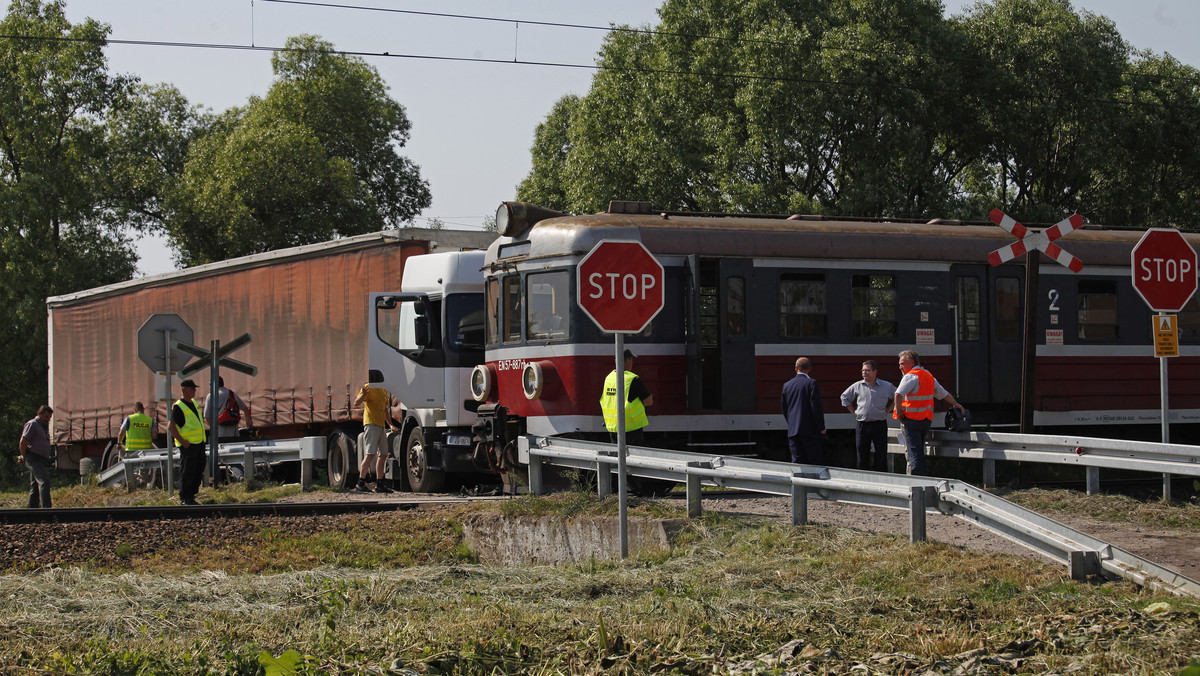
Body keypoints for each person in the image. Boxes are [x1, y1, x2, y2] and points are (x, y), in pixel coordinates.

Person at [893, 350, 965, 476]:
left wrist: (899, 413)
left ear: (912, 362)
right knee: (918, 453)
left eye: (902, 363)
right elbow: (943, 394)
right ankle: (921, 480)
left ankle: (915, 483)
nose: (900, 367)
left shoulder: (910, 376)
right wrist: (956, 404)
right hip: (925, 420)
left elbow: (898, 394)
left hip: (911, 420)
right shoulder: (928, 375)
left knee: (913, 454)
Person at [840, 360, 896, 472]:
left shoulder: (886, 386)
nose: (864, 373)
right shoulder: (857, 386)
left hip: (879, 424)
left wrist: (888, 410)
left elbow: (898, 396)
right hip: (862, 424)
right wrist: (853, 412)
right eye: (863, 370)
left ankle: (881, 477)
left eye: (867, 370)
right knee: (862, 453)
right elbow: (844, 397)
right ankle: (863, 478)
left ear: (875, 372)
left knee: (881, 453)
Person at [600, 349, 654, 446]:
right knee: (633, 459)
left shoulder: (609, 378)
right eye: (631, 360)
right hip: (631, 428)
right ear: (627, 361)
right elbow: (648, 401)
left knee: (617, 458)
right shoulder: (633, 379)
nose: (632, 363)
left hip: (613, 428)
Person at [354, 382, 400, 493]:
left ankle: (379, 483)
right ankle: (360, 483)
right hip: (371, 425)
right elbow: (356, 403)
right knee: (370, 454)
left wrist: (390, 425)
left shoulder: (383, 389)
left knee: (383, 454)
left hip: (381, 426)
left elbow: (385, 410)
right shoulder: (368, 387)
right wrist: (364, 395)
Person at [167, 379, 207, 505]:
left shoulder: (193, 402)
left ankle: (191, 496)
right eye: (192, 388)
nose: (195, 390)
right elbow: (171, 426)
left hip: (199, 443)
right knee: (188, 471)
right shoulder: (179, 406)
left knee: (198, 470)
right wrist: (182, 441)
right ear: (184, 389)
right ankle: (184, 497)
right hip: (189, 445)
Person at [780, 357, 826, 464]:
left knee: (797, 462)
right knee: (813, 462)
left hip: (793, 432)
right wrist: (821, 427)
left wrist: (792, 424)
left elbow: (785, 408)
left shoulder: (787, 385)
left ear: (796, 368)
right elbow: (816, 408)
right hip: (810, 431)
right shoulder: (812, 383)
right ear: (809, 369)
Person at [205, 377, 250, 480]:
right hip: (233, 431)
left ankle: (215, 481)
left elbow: (207, 418)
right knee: (234, 456)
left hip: (219, 433)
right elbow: (245, 409)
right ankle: (240, 476)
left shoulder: (211, 396)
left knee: (214, 457)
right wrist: (248, 425)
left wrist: (214, 427)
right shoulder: (231, 393)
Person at [18, 405, 54, 508]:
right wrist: (24, 456)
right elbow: (23, 440)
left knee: (35, 485)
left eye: (49, 418)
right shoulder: (32, 424)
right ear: (39, 414)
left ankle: (32, 509)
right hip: (33, 457)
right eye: (46, 417)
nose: (48, 420)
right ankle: (46, 509)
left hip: (40, 458)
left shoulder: (42, 426)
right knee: (44, 481)